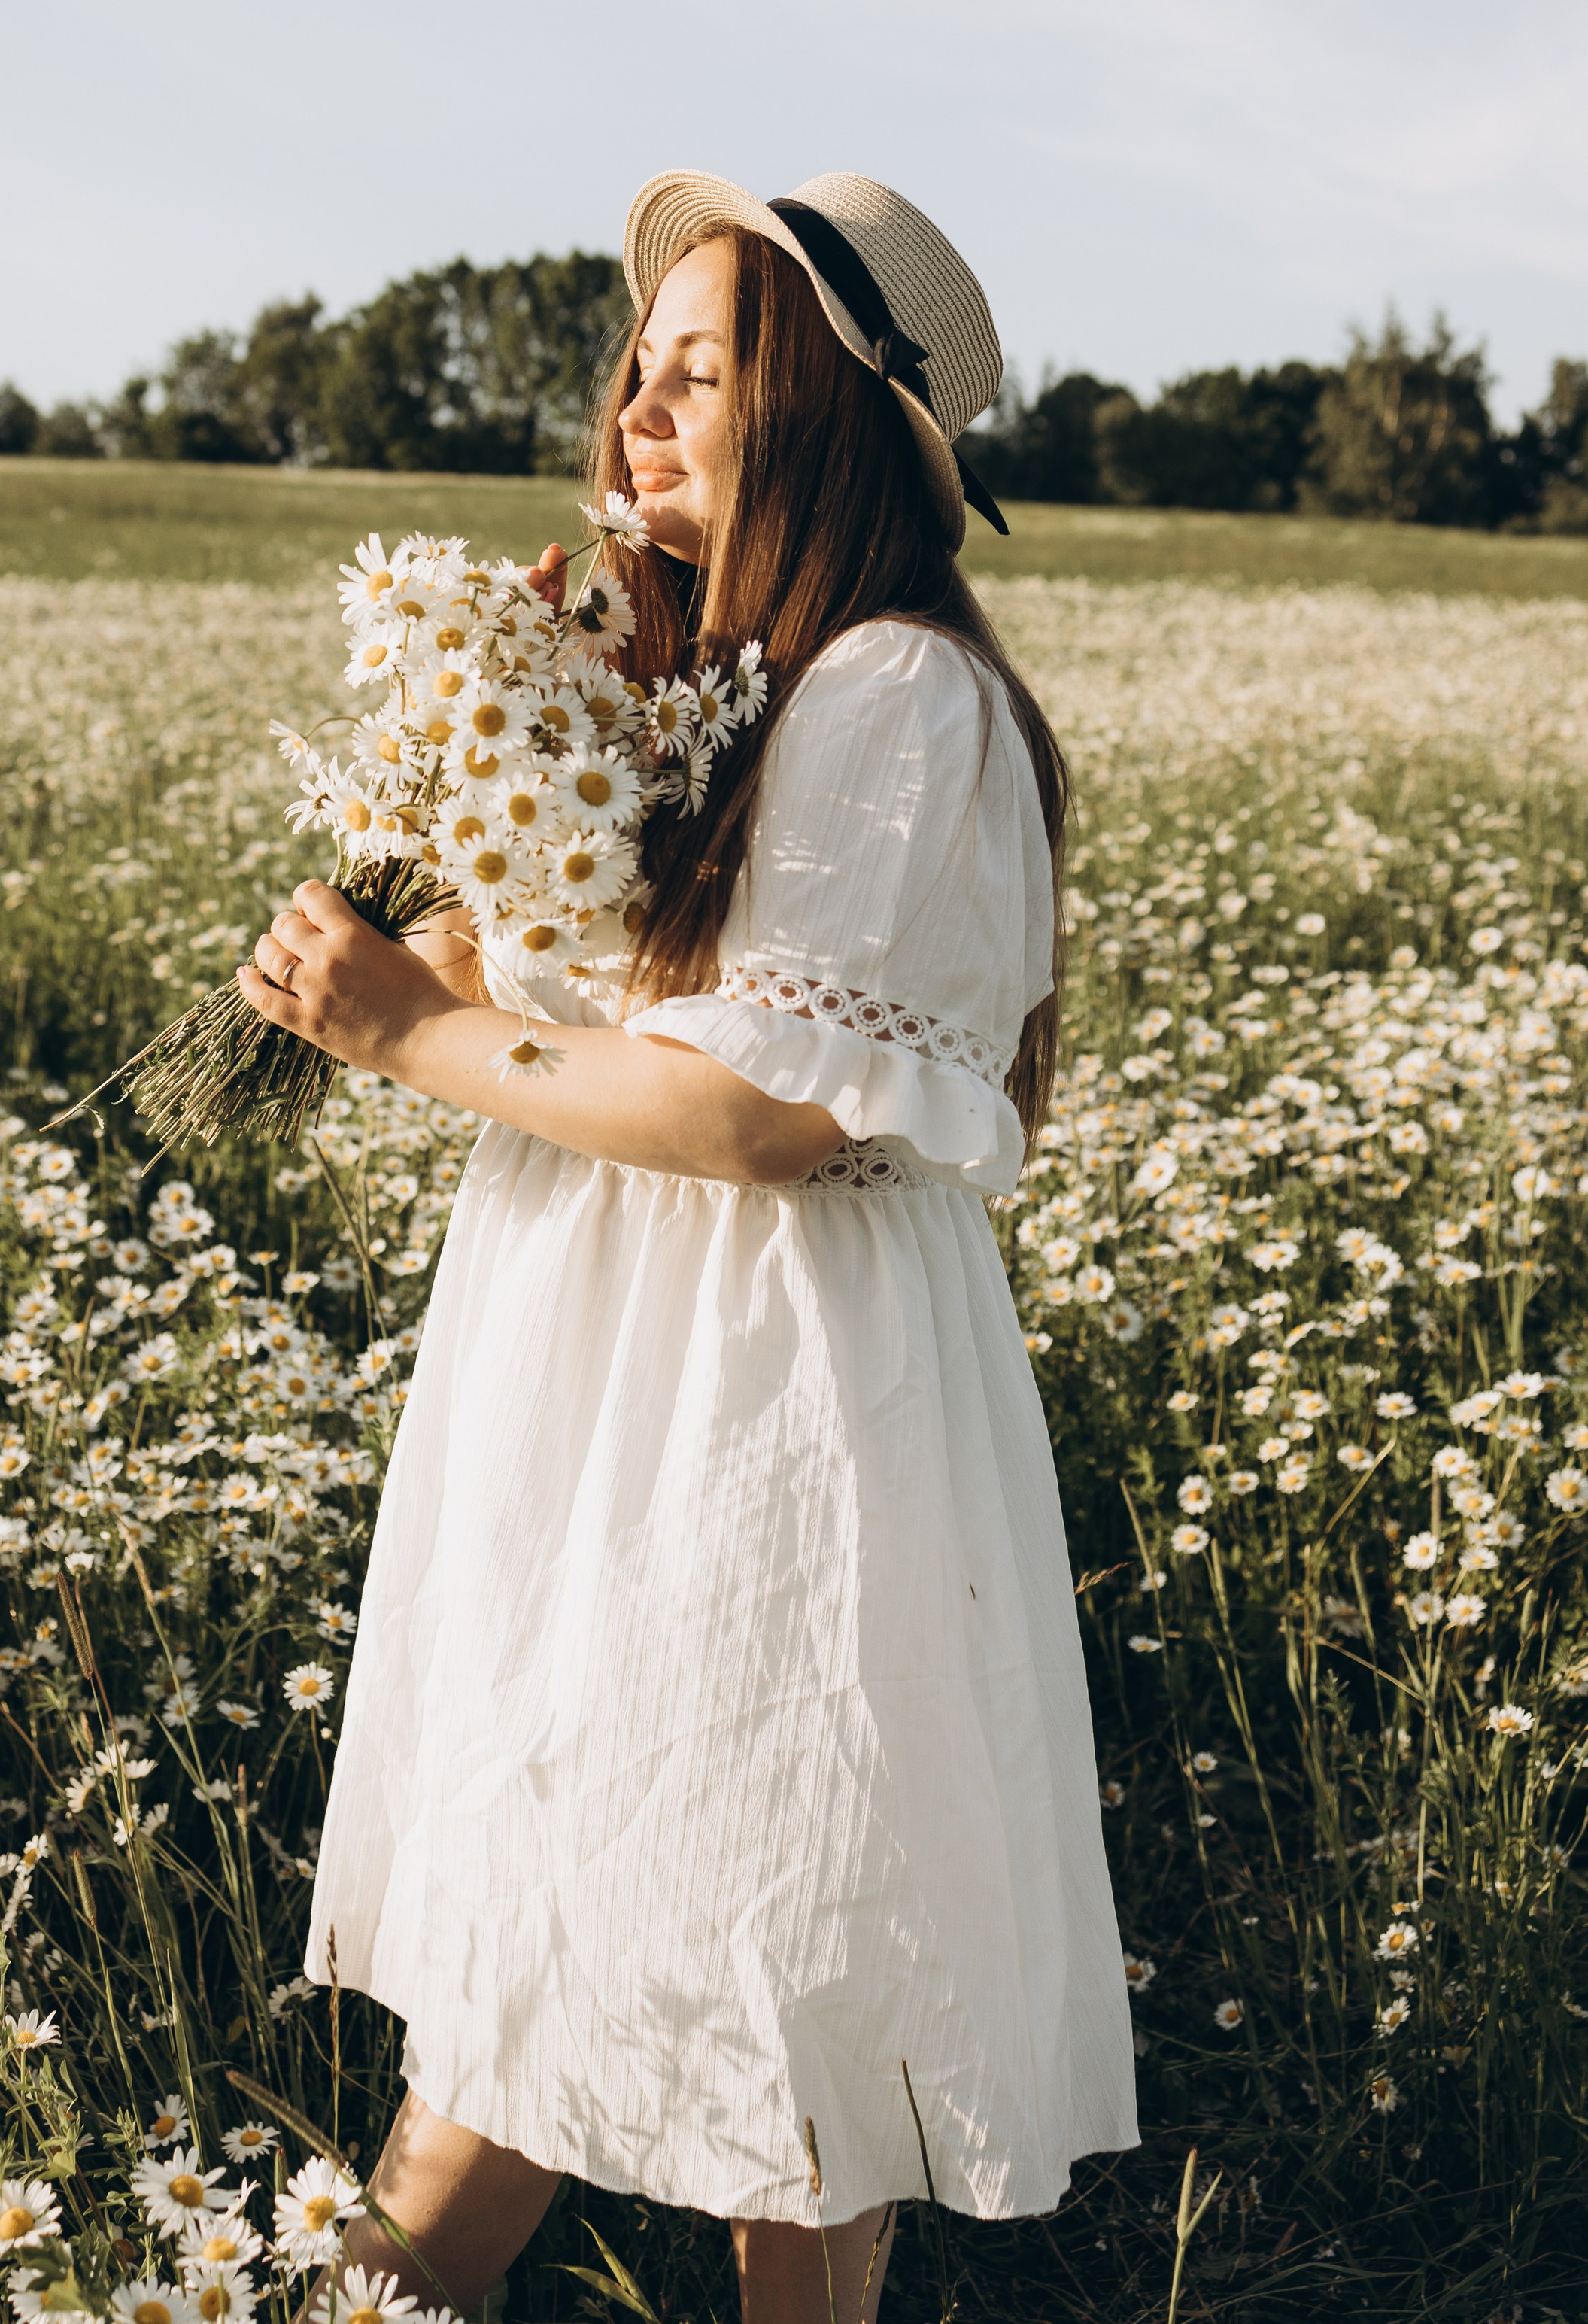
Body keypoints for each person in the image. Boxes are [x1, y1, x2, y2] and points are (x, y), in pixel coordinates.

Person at [238, 173, 1139, 2324]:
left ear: (823, 410)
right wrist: (517, 761)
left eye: (703, 364)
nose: (639, 405)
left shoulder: (896, 695)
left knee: (686, 1944)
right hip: (634, 1372)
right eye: (633, 363)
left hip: (759, 1393)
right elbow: (611, 1004)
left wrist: (412, 1026)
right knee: (707, 1961)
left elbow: (749, 1109)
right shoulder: (738, 686)